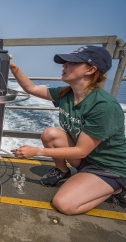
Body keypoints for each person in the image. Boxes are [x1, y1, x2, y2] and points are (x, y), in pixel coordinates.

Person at [9, 45, 126, 215]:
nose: (64, 65)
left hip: (108, 167)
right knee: (50, 134)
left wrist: (36, 151)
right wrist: (14, 68)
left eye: (72, 63)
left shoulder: (103, 106)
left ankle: (116, 188)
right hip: (87, 158)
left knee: (64, 204)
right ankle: (63, 172)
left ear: (91, 70)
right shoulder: (67, 93)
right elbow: (32, 89)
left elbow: (80, 151)